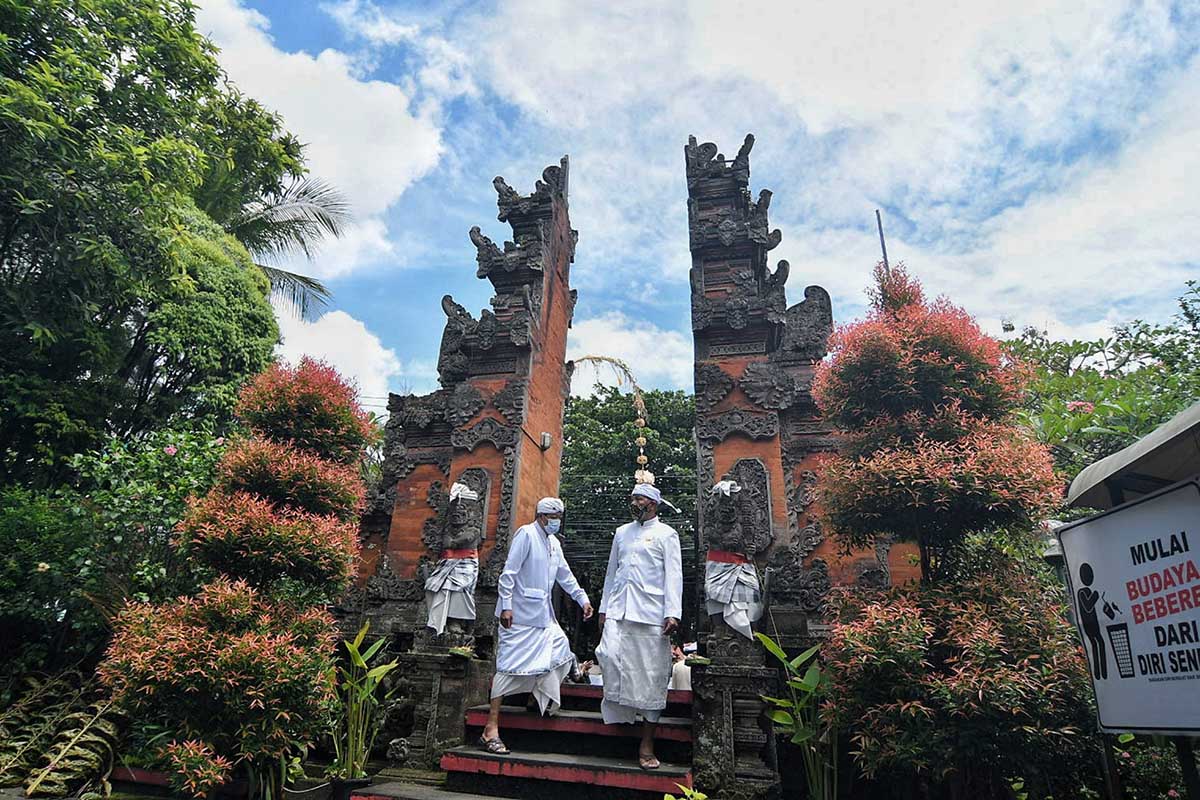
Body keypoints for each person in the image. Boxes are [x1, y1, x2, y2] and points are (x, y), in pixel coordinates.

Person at [480, 497, 592, 754]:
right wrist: (506, 605)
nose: (557, 522)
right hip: (518, 616)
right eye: (553, 517)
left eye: (559, 518)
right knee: (507, 668)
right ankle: (490, 729)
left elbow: (565, 575)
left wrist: (583, 599)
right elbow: (509, 573)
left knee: (561, 648)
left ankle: (536, 696)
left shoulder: (554, 543)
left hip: (543, 617)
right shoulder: (526, 534)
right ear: (541, 516)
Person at [596, 483, 683, 771]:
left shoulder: (667, 534)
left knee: (650, 676)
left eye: (640, 499)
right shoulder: (622, 532)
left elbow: (674, 576)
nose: (634, 503)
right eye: (632, 498)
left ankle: (647, 742)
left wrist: (673, 613)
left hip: (651, 614)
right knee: (608, 655)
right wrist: (604, 608)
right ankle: (622, 717)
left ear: (653, 503)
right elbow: (612, 573)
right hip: (619, 609)